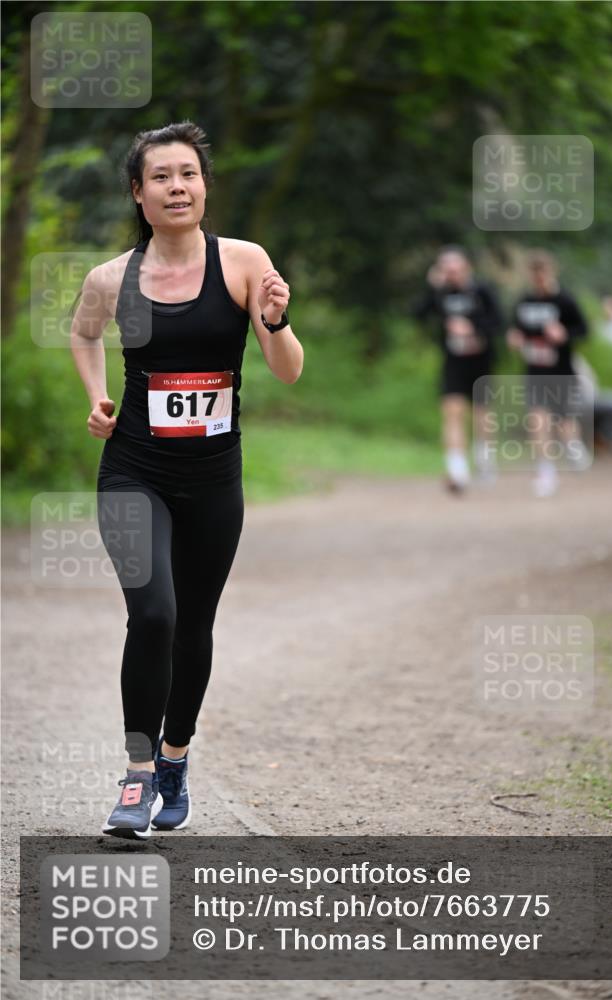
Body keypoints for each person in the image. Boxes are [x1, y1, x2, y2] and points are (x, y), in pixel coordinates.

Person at [70, 121, 303, 838]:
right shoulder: (112, 279)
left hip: (212, 478)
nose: (178, 186)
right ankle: (138, 779)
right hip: (134, 469)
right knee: (155, 615)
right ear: (138, 194)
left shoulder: (241, 263)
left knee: (193, 625)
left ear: (203, 186)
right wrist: (96, 395)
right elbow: (83, 334)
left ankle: (175, 758)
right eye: (161, 177)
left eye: (189, 174)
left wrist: (277, 319)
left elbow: (287, 369)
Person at [413, 246, 503, 492]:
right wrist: (432, 288)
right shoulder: (440, 294)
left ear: (466, 269)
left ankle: (485, 459)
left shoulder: (482, 291)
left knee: (482, 414)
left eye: (455, 270)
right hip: (453, 361)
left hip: (481, 362)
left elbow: (499, 322)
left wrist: (471, 328)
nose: (451, 275)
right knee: (452, 412)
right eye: (446, 270)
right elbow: (417, 315)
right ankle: (457, 469)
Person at [507, 250, 589, 498]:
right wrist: (515, 337)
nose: (538, 279)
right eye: (534, 274)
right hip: (535, 370)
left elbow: (583, 331)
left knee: (563, 420)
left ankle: (573, 447)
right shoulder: (525, 301)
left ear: (551, 272)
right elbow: (516, 328)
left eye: (542, 273)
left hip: (561, 369)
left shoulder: (565, 300)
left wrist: (564, 334)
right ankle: (546, 471)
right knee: (538, 419)